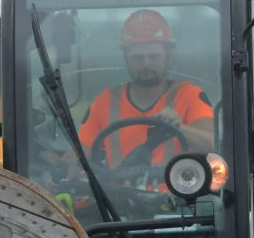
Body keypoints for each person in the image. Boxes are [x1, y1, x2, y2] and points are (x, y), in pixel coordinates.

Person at [78, 9, 214, 169]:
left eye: (154, 56)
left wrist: (178, 127)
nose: (146, 64)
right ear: (126, 60)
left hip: (176, 193)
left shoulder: (190, 95)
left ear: (168, 57)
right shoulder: (105, 102)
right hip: (114, 193)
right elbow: (78, 155)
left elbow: (212, 146)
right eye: (138, 57)